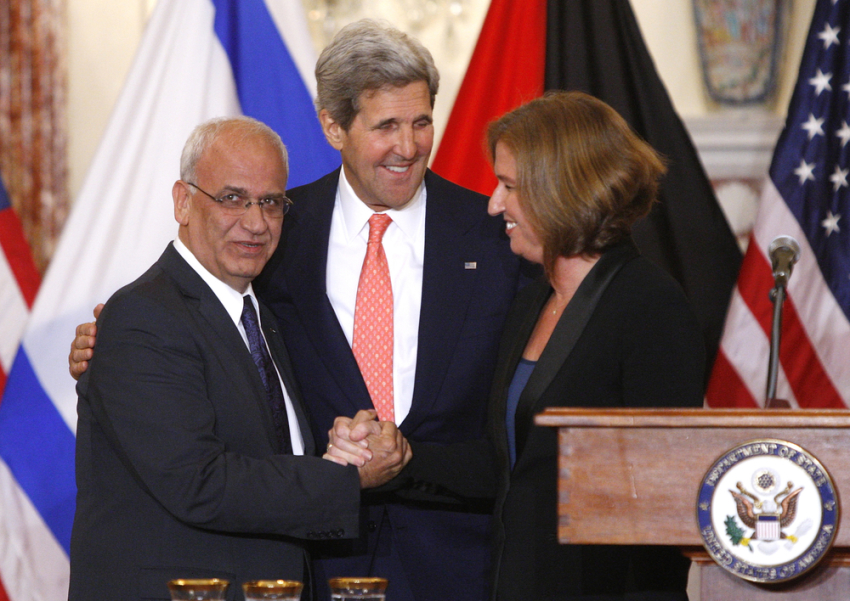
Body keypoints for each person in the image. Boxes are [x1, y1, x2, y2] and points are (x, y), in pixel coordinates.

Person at [69, 20, 523, 601]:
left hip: (455, 565)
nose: (408, 147)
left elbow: (522, 407)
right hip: (303, 563)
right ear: (333, 127)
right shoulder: (277, 234)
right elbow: (188, 341)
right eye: (385, 126)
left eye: (420, 122)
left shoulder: (498, 238)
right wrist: (104, 345)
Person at [327, 91, 705, 600]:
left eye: (509, 186)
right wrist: (401, 455)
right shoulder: (533, 300)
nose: (493, 204)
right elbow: (506, 466)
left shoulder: (648, 306)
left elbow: (663, 498)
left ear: (562, 190)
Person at [68, 116, 409, 601]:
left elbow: (263, 452)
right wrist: (344, 478)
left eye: (270, 202)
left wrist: (343, 451)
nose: (255, 223)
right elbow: (199, 482)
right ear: (183, 202)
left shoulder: (262, 315)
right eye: (232, 198)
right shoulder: (144, 316)